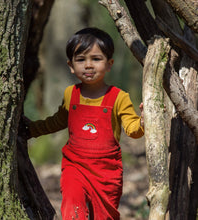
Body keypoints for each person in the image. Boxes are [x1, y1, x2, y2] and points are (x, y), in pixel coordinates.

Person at [25, 27, 144, 220]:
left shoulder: (119, 97)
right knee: (73, 209)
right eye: (81, 59)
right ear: (71, 65)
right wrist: (31, 129)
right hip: (75, 167)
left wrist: (143, 122)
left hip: (107, 174)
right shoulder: (70, 94)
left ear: (109, 64)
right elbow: (58, 121)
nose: (88, 65)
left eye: (96, 59)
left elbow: (133, 130)